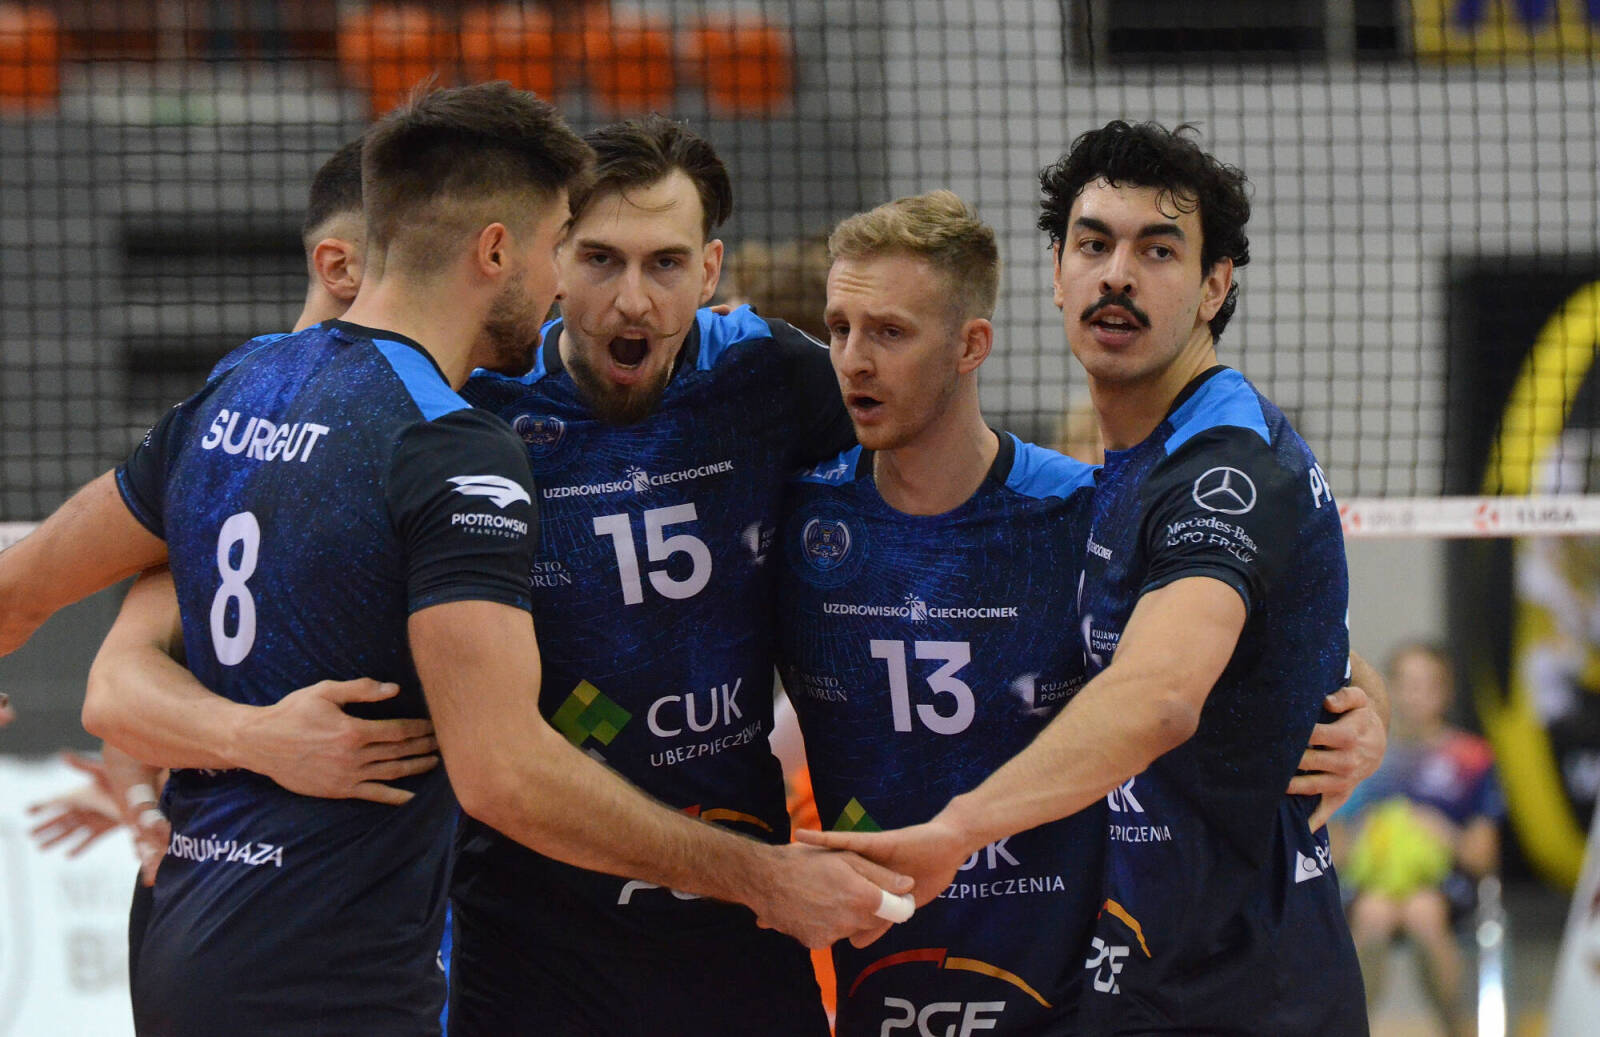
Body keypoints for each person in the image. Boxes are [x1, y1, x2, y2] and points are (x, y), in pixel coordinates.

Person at [2, 84, 905, 1036]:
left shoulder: (240, 385)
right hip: (361, 969)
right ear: (499, 251)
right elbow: (503, 773)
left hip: (196, 938)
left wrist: (236, 737)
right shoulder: (451, 439)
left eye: (662, 261)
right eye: (570, 249)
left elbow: (31, 593)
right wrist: (767, 878)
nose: (571, 287)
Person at [803, 121, 1368, 1034]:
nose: (1117, 275)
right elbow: (1289, 632)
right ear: (1058, 274)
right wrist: (1355, 695)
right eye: (1094, 245)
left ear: (1216, 286)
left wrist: (959, 829)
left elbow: (1158, 696)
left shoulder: (1223, 465)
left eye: (1159, 250)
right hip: (1149, 974)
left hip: (1247, 993)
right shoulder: (1133, 468)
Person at [450, 113, 868, 1037]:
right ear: (554, 262)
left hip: (738, 914)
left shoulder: (772, 377)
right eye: (601, 260)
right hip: (531, 931)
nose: (633, 301)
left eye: (665, 263)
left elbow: (939, 477)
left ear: (710, 271)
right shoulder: (477, 409)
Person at [1338, 642, 1501, 1036]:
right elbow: (1333, 848)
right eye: (1407, 684)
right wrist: (1367, 836)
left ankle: (1454, 1026)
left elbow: (1483, 857)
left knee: (1423, 912)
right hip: (1372, 883)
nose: (1416, 696)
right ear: (1388, 688)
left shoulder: (1471, 757)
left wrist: (1442, 831)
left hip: (1443, 886)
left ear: (1446, 692)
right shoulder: (1364, 755)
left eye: (1428, 685)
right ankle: (1353, 1027)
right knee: (1373, 914)